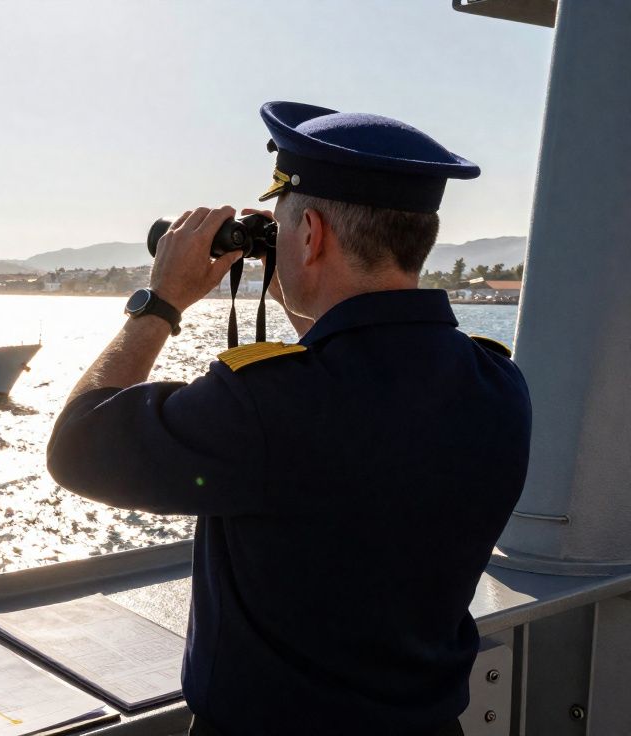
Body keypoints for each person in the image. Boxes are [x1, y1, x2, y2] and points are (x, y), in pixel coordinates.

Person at [46, 101, 531, 736]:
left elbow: (79, 442)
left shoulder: (267, 404)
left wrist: (159, 301)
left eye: (284, 223)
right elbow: (364, 374)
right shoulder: (498, 383)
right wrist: (307, 286)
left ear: (311, 236)